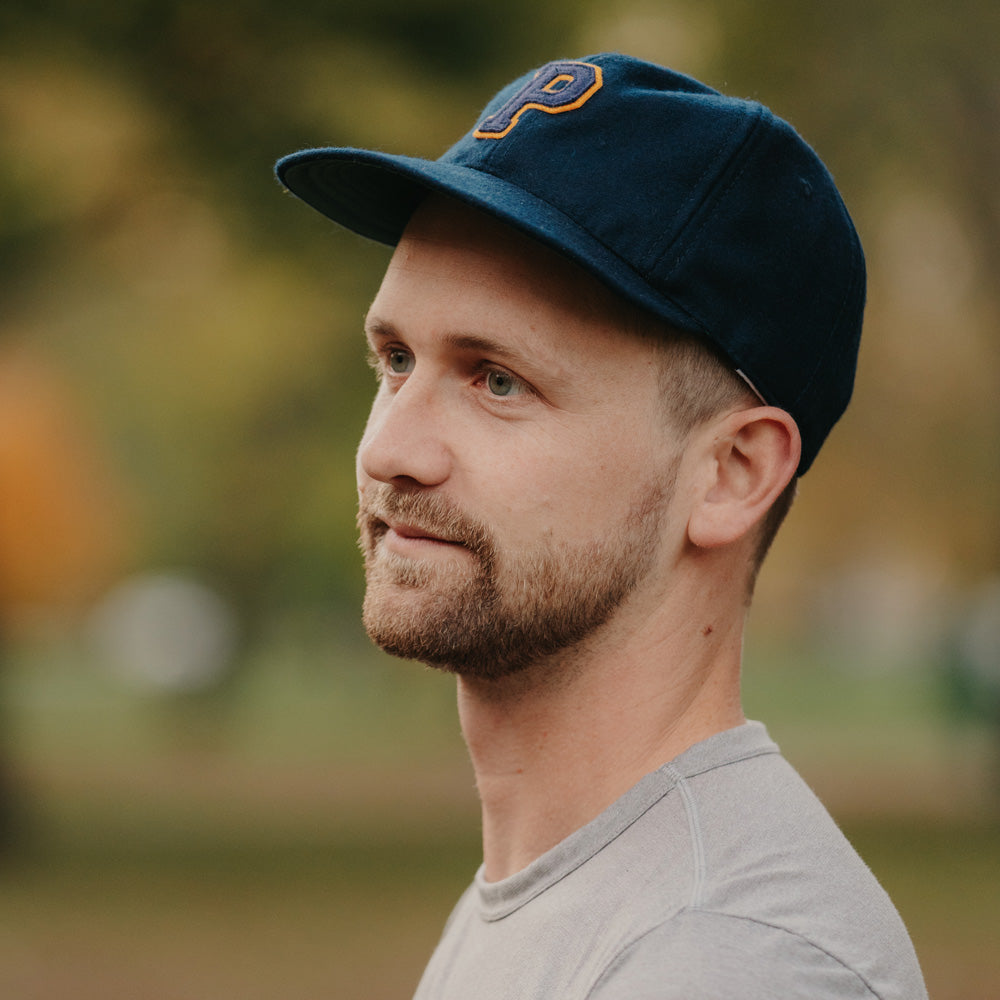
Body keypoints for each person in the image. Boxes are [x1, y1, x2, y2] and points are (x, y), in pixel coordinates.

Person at [276, 53, 927, 999]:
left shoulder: (727, 961)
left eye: (497, 379)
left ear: (731, 474)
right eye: (396, 360)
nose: (390, 451)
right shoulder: (564, 896)